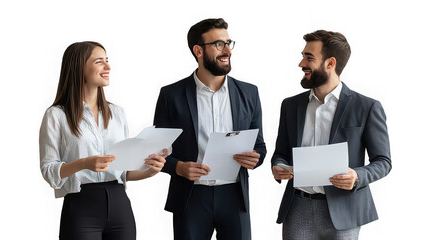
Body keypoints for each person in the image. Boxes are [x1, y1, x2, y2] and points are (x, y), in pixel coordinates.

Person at [271, 30, 392, 240]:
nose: (301, 63)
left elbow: (383, 161)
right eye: (302, 56)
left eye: (309, 57)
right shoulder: (290, 105)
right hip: (298, 209)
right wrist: (278, 166)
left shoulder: (366, 107)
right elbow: (281, 152)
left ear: (330, 63)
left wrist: (357, 176)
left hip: (344, 211)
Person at [39, 41, 166, 240]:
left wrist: (150, 170)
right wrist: (84, 164)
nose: (108, 67)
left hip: (120, 206)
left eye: (107, 61)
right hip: (81, 206)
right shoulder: (56, 115)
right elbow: (48, 171)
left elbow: (123, 171)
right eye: (100, 62)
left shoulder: (117, 113)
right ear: (79, 67)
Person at [153, 18, 266, 240]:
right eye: (218, 44)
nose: (227, 51)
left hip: (235, 197)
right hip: (190, 196)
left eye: (228, 43)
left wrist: (256, 158)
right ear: (198, 50)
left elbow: (259, 145)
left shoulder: (249, 93)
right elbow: (156, 152)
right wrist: (178, 167)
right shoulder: (171, 95)